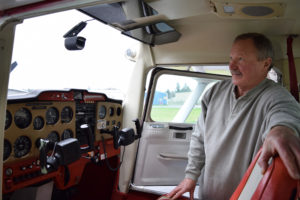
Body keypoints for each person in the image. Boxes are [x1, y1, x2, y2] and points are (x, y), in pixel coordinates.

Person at [166, 33, 300, 200]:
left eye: (241, 59)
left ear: (265, 64)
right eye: (231, 58)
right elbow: (199, 138)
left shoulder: (276, 96)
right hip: (207, 194)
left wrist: (282, 130)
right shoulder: (214, 92)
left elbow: (286, 114)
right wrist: (190, 176)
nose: (232, 66)